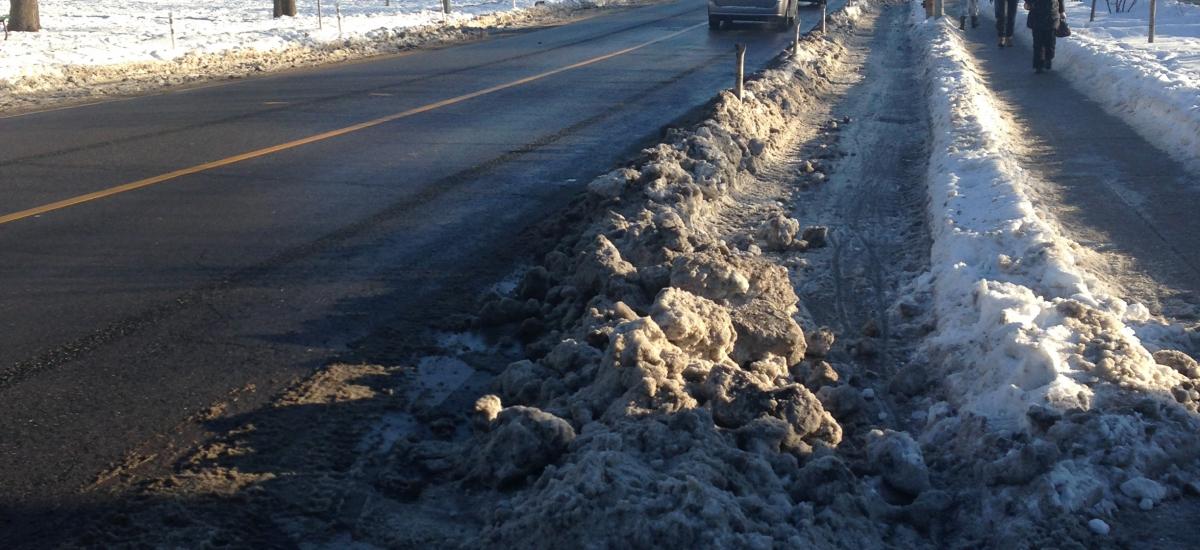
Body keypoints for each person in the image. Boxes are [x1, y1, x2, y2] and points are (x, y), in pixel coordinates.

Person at [1026, 0, 1065, 72]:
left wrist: (1062, 11)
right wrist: (1028, 2)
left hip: (1051, 13)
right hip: (1037, 13)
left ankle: (1048, 58)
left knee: (1050, 41)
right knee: (1038, 42)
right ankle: (1039, 64)